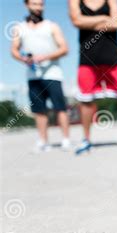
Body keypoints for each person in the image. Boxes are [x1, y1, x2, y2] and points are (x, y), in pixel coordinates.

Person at [69, 0, 117, 155]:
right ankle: (86, 140)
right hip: (87, 56)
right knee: (85, 100)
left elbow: (116, 23)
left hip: (113, 55)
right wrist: (104, 20)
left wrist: (89, 22)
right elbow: (76, 21)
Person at [11, 0, 71, 152]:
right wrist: (23, 59)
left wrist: (45, 57)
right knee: (39, 109)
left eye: (41, 4)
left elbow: (64, 48)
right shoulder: (19, 28)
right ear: (27, 5)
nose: (38, 7)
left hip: (53, 74)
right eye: (34, 3)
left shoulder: (52, 26)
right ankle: (43, 141)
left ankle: (65, 139)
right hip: (33, 76)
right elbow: (14, 50)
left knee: (60, 107)